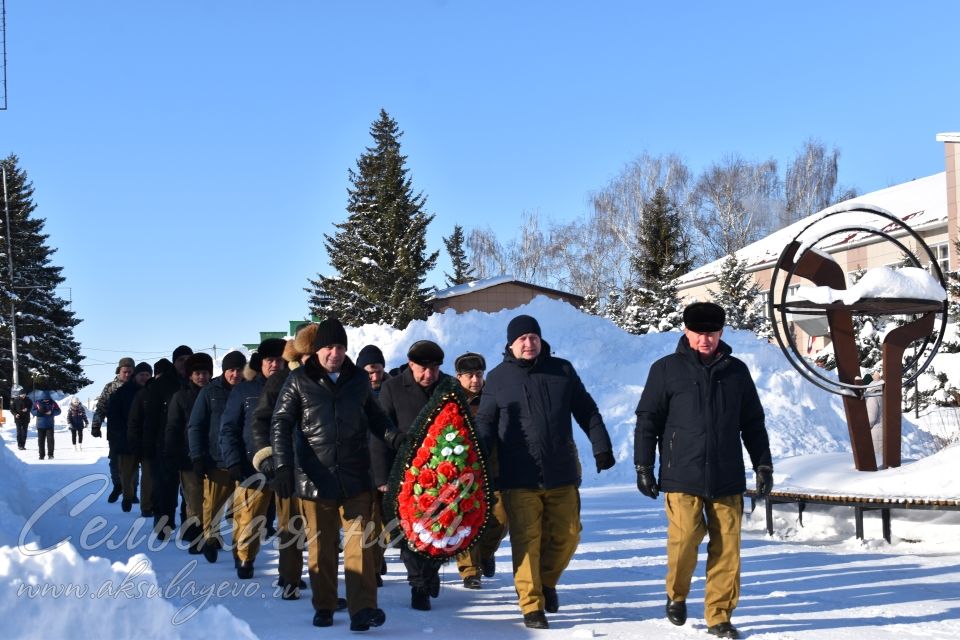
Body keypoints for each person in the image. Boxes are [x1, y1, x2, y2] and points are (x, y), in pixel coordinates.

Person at [634, 302, 773, 640]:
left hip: (726, 476)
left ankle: (719, 616)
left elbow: (752, 422)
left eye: (712, 333)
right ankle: (676, 594)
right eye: (699, 332)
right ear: (686, 331)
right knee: (683, 542)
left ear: (721, 333)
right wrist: (643, 465)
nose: (705, 339)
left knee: (727, 549)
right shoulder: (665, 369)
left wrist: (763, 463)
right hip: (682, 474)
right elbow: (647, 420)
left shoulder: (736, 371)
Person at [475, 315, 615, 629]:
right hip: (518, 475)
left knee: (568, 535)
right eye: (522, 338)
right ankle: (531, 604)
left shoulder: (562, 370)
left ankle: (547, 581)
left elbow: (587, 410)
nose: (528, 343)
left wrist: (601, 445)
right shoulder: (498, 379)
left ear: (541, 339)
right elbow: (484, 423)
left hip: (561, 471)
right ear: (510, 344)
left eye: (533, 337)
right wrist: (479, 458)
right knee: (526, 539)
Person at [272, 318, 402, 631]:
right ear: (317, 350)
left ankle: (363, 609)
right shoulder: (299, 380)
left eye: (341, 346)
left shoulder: (358, 379)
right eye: (329, 346)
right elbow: (280, 423)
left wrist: (396, 438)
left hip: (356, 476)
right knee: (322, 547)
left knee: (360, 544)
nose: (335, 352)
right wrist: (282, 466)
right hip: (315, 479)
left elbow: (377, 419)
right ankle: (325, 605)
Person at [375, 339, 450, 612]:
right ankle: (418, 585)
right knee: (411, 533)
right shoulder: (392, 388)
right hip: (405, 475)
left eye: (434, 368)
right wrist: (383, 478)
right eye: (423, 368)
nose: (429, 374)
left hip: (444, 474)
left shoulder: (448, 386)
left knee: (440, 529)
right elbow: (379, 432)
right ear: (410, 365)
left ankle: (430, 573)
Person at [220, 339, 291, 581]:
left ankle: (289, 571)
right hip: (252, 467)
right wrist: (233, 462)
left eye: (279, 360)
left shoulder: (293, 385)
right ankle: (245, 559)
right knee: (250, 520)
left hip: (286, 466)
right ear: (260, 363)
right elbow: (228, 428)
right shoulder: (244, 390)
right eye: (270, 360)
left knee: (291, 523)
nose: (274, 365)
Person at [453, 351, 508, 590]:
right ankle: (469, 571)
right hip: (461, 472)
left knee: (501, 517)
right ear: (459, 377)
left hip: (494, 468)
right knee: (464, 520)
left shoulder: (495, 395)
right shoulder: (451, 399)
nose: (475, 380)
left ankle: (486, 553)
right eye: (469, 375)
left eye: (478, 374)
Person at [188, 350, 246, 564]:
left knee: (242, 511)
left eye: (239, 370)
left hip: (243, 461)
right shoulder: (210, 391)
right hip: (216, 461)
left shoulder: (249, 389)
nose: (235, 374)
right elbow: (195, 426)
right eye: (231, 370)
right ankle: (211, 540)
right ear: (224, 371)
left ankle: (241, 552)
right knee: (213, 507)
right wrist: (197, 456)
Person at [166, 352, 214, 553]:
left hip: (214, 457)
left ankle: (212, 536)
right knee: (194, 500)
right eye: (197, 373)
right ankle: (195, 537)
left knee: (213, 501)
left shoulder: (216, 394)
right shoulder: (180, 396)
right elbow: (173, 427)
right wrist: (172, 454)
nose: (201, 377)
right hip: (188, 457)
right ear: (190, 375)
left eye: (205, 373)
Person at [109, 361, 153, 512]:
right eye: (142, 374)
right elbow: (113, 416)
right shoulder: (122, 392)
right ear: (136, 375)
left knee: (148, 476)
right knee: (127, 473)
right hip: (126, 439)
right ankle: (128, 497)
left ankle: (146, 507)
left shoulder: (153, 391)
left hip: (148, 440)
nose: (145, 378)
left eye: (148, 375)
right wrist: (120, 434)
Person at [92, 357, 136, 502]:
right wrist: (96, 425)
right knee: (115, 461)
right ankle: (118, 485)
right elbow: (101, 406)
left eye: (130, 371)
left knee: (133, 462)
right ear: (119, 371)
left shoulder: (139, 386)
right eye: (125, 371)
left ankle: (131, 491)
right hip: (116, 431)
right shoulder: (110, 387)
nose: (128, 374)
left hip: (135, 431)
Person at [31, 390, 61, 460]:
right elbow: (32, 411)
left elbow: (59, 411)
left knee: (50, 441)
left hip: (50, 425)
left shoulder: (53, 403)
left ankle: (51, 455)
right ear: (42, 398)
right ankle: (41, 455)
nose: (46, 400)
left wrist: (51, 412)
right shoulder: (37, 403)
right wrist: (39, 412)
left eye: (47, 399)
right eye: (45, 399)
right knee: (41, 441)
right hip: (40, 425)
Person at [865, 367, 884, 467]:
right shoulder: (883, 395)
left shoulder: (873, 397)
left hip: (876, 433)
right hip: (884, 431)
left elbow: (871, 418)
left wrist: (864, 427)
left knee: (878, 460)